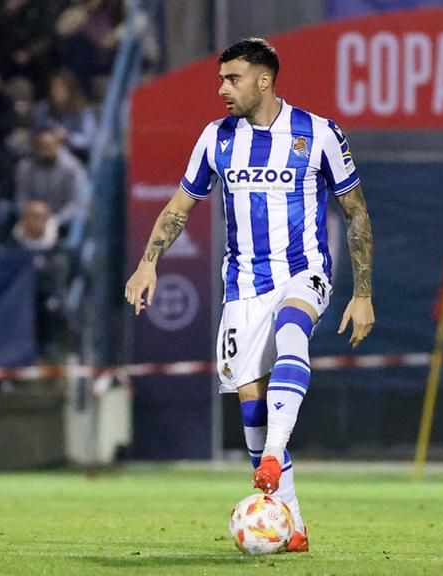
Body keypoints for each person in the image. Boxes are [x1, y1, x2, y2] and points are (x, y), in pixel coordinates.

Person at [124, 38, 375, 552]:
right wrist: (148, 262)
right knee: (251, 408)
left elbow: (356, 213)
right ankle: (293, 525)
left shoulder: (319, 133)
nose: (222, 89)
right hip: (242, 285)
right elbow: (179, 207)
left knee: (292, 326)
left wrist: (363, 292)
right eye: (220, 79)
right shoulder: (216, 138)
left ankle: (274, 453)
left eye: (232, 79)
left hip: (304, 271)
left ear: (264, 80)